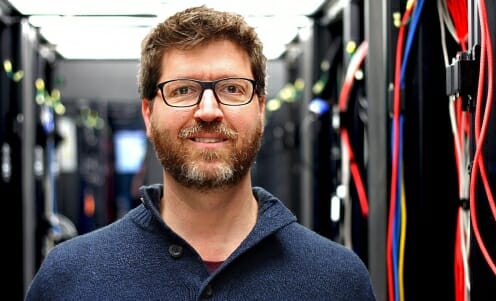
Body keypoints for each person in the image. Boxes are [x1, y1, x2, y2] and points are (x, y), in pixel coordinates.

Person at [25, 6, 376, 300]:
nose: (208, 110)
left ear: (260, 109)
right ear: (148, 114)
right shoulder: (68, 279)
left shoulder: (338, 281)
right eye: (182, 90)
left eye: (232, 88)